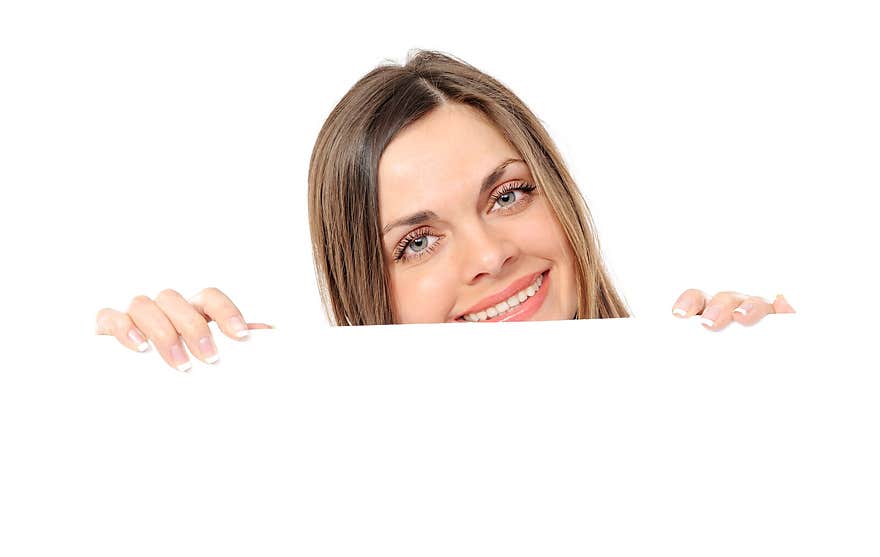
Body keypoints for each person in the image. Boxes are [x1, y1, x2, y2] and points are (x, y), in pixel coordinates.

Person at [94, 50, 795, 372]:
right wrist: (179, 396)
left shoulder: (708, 385)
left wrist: (794, 382)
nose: (490, 257)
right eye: (418, 242)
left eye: (509, 195)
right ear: (367, 288)